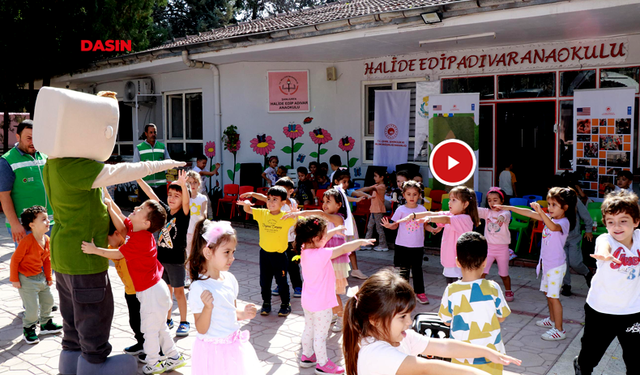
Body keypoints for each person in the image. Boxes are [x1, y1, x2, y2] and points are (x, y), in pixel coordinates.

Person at [342, 269, 522, 375]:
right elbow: (429, 368)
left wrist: (486, 352)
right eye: (402, 317)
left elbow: (444, 346)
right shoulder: (377, 353)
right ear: (374, 320)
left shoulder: (400, 337)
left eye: (409, 315)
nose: (409, 322)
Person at [81, 195, 186, 374]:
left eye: (140, 209)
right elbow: (122, 222)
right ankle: (174, 356)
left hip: (151, 292)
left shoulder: (140, 240)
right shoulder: (137, 231)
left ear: (146, 223)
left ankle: (154, 362)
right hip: (156, 290)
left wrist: (95, 250)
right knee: (159, 327)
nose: (136, 208)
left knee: (149, 330)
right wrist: (109, 205)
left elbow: (118, 254)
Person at [295, 215, 375, 375]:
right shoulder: (322, 253)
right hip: (322, 304)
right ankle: (322, 364)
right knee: (320, 335)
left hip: (308, 301)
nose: (326, 237)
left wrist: (335, 231)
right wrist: (360, 242)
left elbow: (319, 239)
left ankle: (307, 356)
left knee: (309, 329)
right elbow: (344, 249)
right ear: (317, 238)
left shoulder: (304, 248)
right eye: (325, 235)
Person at [574, 191, 640, 375]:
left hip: (633, 311)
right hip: (601, 311)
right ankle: (581, 365)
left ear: (636, 221)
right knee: (590, 357)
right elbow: (604, 246)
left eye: (623, 220)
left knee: (635, 361)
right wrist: (605, 255)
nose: (616, 226)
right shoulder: (605, 239)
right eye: (610, 221)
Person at [497, 187, 576, 341]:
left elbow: (553, 227)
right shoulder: (551, 218)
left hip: (555, 266)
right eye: (549, 204)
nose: (550, 208)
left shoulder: (564, 222)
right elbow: (529, 213)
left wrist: (541, 212)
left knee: (554, 297)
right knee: (548, 294)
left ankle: (559, 329)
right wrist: (508, 207)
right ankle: (552, 320)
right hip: (547, 265)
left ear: (565, 207)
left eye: (554, 205)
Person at [187, 220, 263, 375]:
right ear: (208, 252)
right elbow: (201, 328)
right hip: (212, 352)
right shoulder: (199, 288)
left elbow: (232, 312)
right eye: (226, 252)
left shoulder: (230, 279)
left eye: (233, 252)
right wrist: (208, 308)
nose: (232, 257)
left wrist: (244, 314)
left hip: (234, 347)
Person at [439, 232, 511, 375]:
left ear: (457, 262)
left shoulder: (451, 290)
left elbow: (446, 321)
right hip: (492, 355)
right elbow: (502, 317)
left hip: (461, 356)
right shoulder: (493, 287)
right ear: (485, 262)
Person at [283, 189, 350, 332]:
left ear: (339, 205)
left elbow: (319, 214)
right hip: (323, 258)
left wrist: (299, 213)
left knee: (333, 291)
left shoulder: (338, 218)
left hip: (335, 259)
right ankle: (334, 313)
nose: (324, 205)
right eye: (323, 201)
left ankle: (341, 316)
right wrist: (297, 217)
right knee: (326, 289)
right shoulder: (323, 219)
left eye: (328, 202)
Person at [138, 170, 191, 337]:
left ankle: (184, 321)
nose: (172, 198)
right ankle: (168, 319)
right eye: (170, 194)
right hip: (161, 260)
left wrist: (183, 185)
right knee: (166, 292)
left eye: (177, 195)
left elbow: (187, 203)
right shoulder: (165, 211)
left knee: (179, 292)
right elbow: (151, 194)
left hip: (175, 261)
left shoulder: (183, 215)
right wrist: (138, 177)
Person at [398, 186, 480, 284]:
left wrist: (428, 219)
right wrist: (414, 215)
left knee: (457, 290)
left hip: (459, 264)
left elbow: (445, 219)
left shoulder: (465, 219)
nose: (449, 202)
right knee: (451, 287)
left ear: (465, 204)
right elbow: (433, 214)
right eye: (450, 199)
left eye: (454, 200)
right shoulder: (452, 215)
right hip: (450, 261)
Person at [237, 186, 297, 317]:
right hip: (264, 255)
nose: (270, 202)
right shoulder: (262, 213)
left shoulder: (286, 217)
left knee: (281, 282)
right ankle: (266, 303)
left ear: (283, 203)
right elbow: (248, 210)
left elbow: (301, 221)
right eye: (269, 199)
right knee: (264, 281)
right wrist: (246, 204)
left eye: (275, 199)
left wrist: (296, 214)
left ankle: (285, 304)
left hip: (279, 256)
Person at [102, 190, 146, 361]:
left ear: (118, 234)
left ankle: (152, 348)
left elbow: (119, 216)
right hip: (130, 291)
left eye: (108, 237)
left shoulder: (127, 244)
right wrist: (104, 190)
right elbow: (115, 210)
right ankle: (141, 343)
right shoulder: (114, 246)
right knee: (134, 322)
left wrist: (94, 250)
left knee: (145, 322)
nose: (107, 242)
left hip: (141, 290)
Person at [10, 205, 62, 344]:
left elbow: (47, 260)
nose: (47, 222)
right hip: (26, 279)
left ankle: (46, 324)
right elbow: (15, 260)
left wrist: (49, 277)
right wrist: (15, 279)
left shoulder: (46, 239)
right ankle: (29, 328)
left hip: (40, 277)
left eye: (47, 218)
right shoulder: (26, 242)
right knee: (32, 308)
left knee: (49, 301)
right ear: (32, 225)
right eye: (43, 219)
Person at [0, 120, 54, 246]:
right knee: (30, 264)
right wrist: (14, 224)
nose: (33, 142)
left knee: (49, 263)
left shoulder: (46, 156)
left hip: (49, 224)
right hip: (25, 226)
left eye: (36, 138)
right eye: (29, 138)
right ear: (18, 137)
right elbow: (4, 196)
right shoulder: (7, 161)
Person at [381, 181, 429, 304]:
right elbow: (394, 225)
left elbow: (426, 226)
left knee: (417, 270)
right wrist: (388, 225)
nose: (412, 197)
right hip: (402, 246)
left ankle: (420, 292)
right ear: (403, 195)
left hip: (417, 246)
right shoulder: (400, 209)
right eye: (408, 194)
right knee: (403, 270)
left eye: (414, 194)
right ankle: (402, 294)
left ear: (419, 195)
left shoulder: (422, 209)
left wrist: (434, 229)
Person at [478, 187, 514, 301]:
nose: (492, 203)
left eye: (495, 200)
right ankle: (479, 291)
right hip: (488, 248)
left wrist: (501, 217)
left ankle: (508, 291)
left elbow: (506, 216)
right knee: (482, 271)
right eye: (489, 200)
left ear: (502, 201)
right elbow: (475, 210)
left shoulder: (506, 212)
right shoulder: (487, 212)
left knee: (504, 274)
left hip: (502, 249)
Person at [333, 169, 369, 280]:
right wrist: (356, 200)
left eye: (347, 182)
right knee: (337, 247)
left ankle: (355, 270)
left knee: (351, 246)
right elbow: (344, 198)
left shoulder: (345, 191)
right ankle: (337, 271)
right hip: (338, 222)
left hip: (347, 221)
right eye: (344, 182)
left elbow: (355, 193)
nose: (346, 184)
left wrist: (363, 196)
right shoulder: (334, 192)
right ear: (336, 181)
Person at [561, 199, 594, 297]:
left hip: (574, 238)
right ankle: (566, 285)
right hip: (560, 238)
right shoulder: (553, 198)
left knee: (575, 262)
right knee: (563, 263)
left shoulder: (573, 199)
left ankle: (587, 273)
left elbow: (586, 216)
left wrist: (589, 229)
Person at [134, 123, 171, 203]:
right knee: (148, 212)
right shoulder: (139, 148)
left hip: (161, 185)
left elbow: (168, 161)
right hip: (146, 186)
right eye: (151, 132)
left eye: (155, 132)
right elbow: (135, 166)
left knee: (162, 210)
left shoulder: (162, 146)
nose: (153, 134)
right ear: (146, 134)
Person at [358, 170, 388, 251]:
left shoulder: (381, 186)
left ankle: (383, 245)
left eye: (376, 176)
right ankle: (367, 244)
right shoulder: (376, 185)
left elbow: (368, 188)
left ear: (382, 177)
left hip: (378, 211)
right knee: (370, 227)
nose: (374, 178)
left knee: (379, 228)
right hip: (374, 211)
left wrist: (357, 191)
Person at [186, 170, 208, 264]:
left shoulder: (202, 198)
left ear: (199, 183)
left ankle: (198, 271)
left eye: (195, 182)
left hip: (198, 230)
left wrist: (203, 219)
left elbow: (204, 212)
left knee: (199, 252)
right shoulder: (185, 198)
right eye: (190, 182)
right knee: (188, 253)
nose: (192, 185)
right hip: (187, 231)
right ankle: (187, 273)